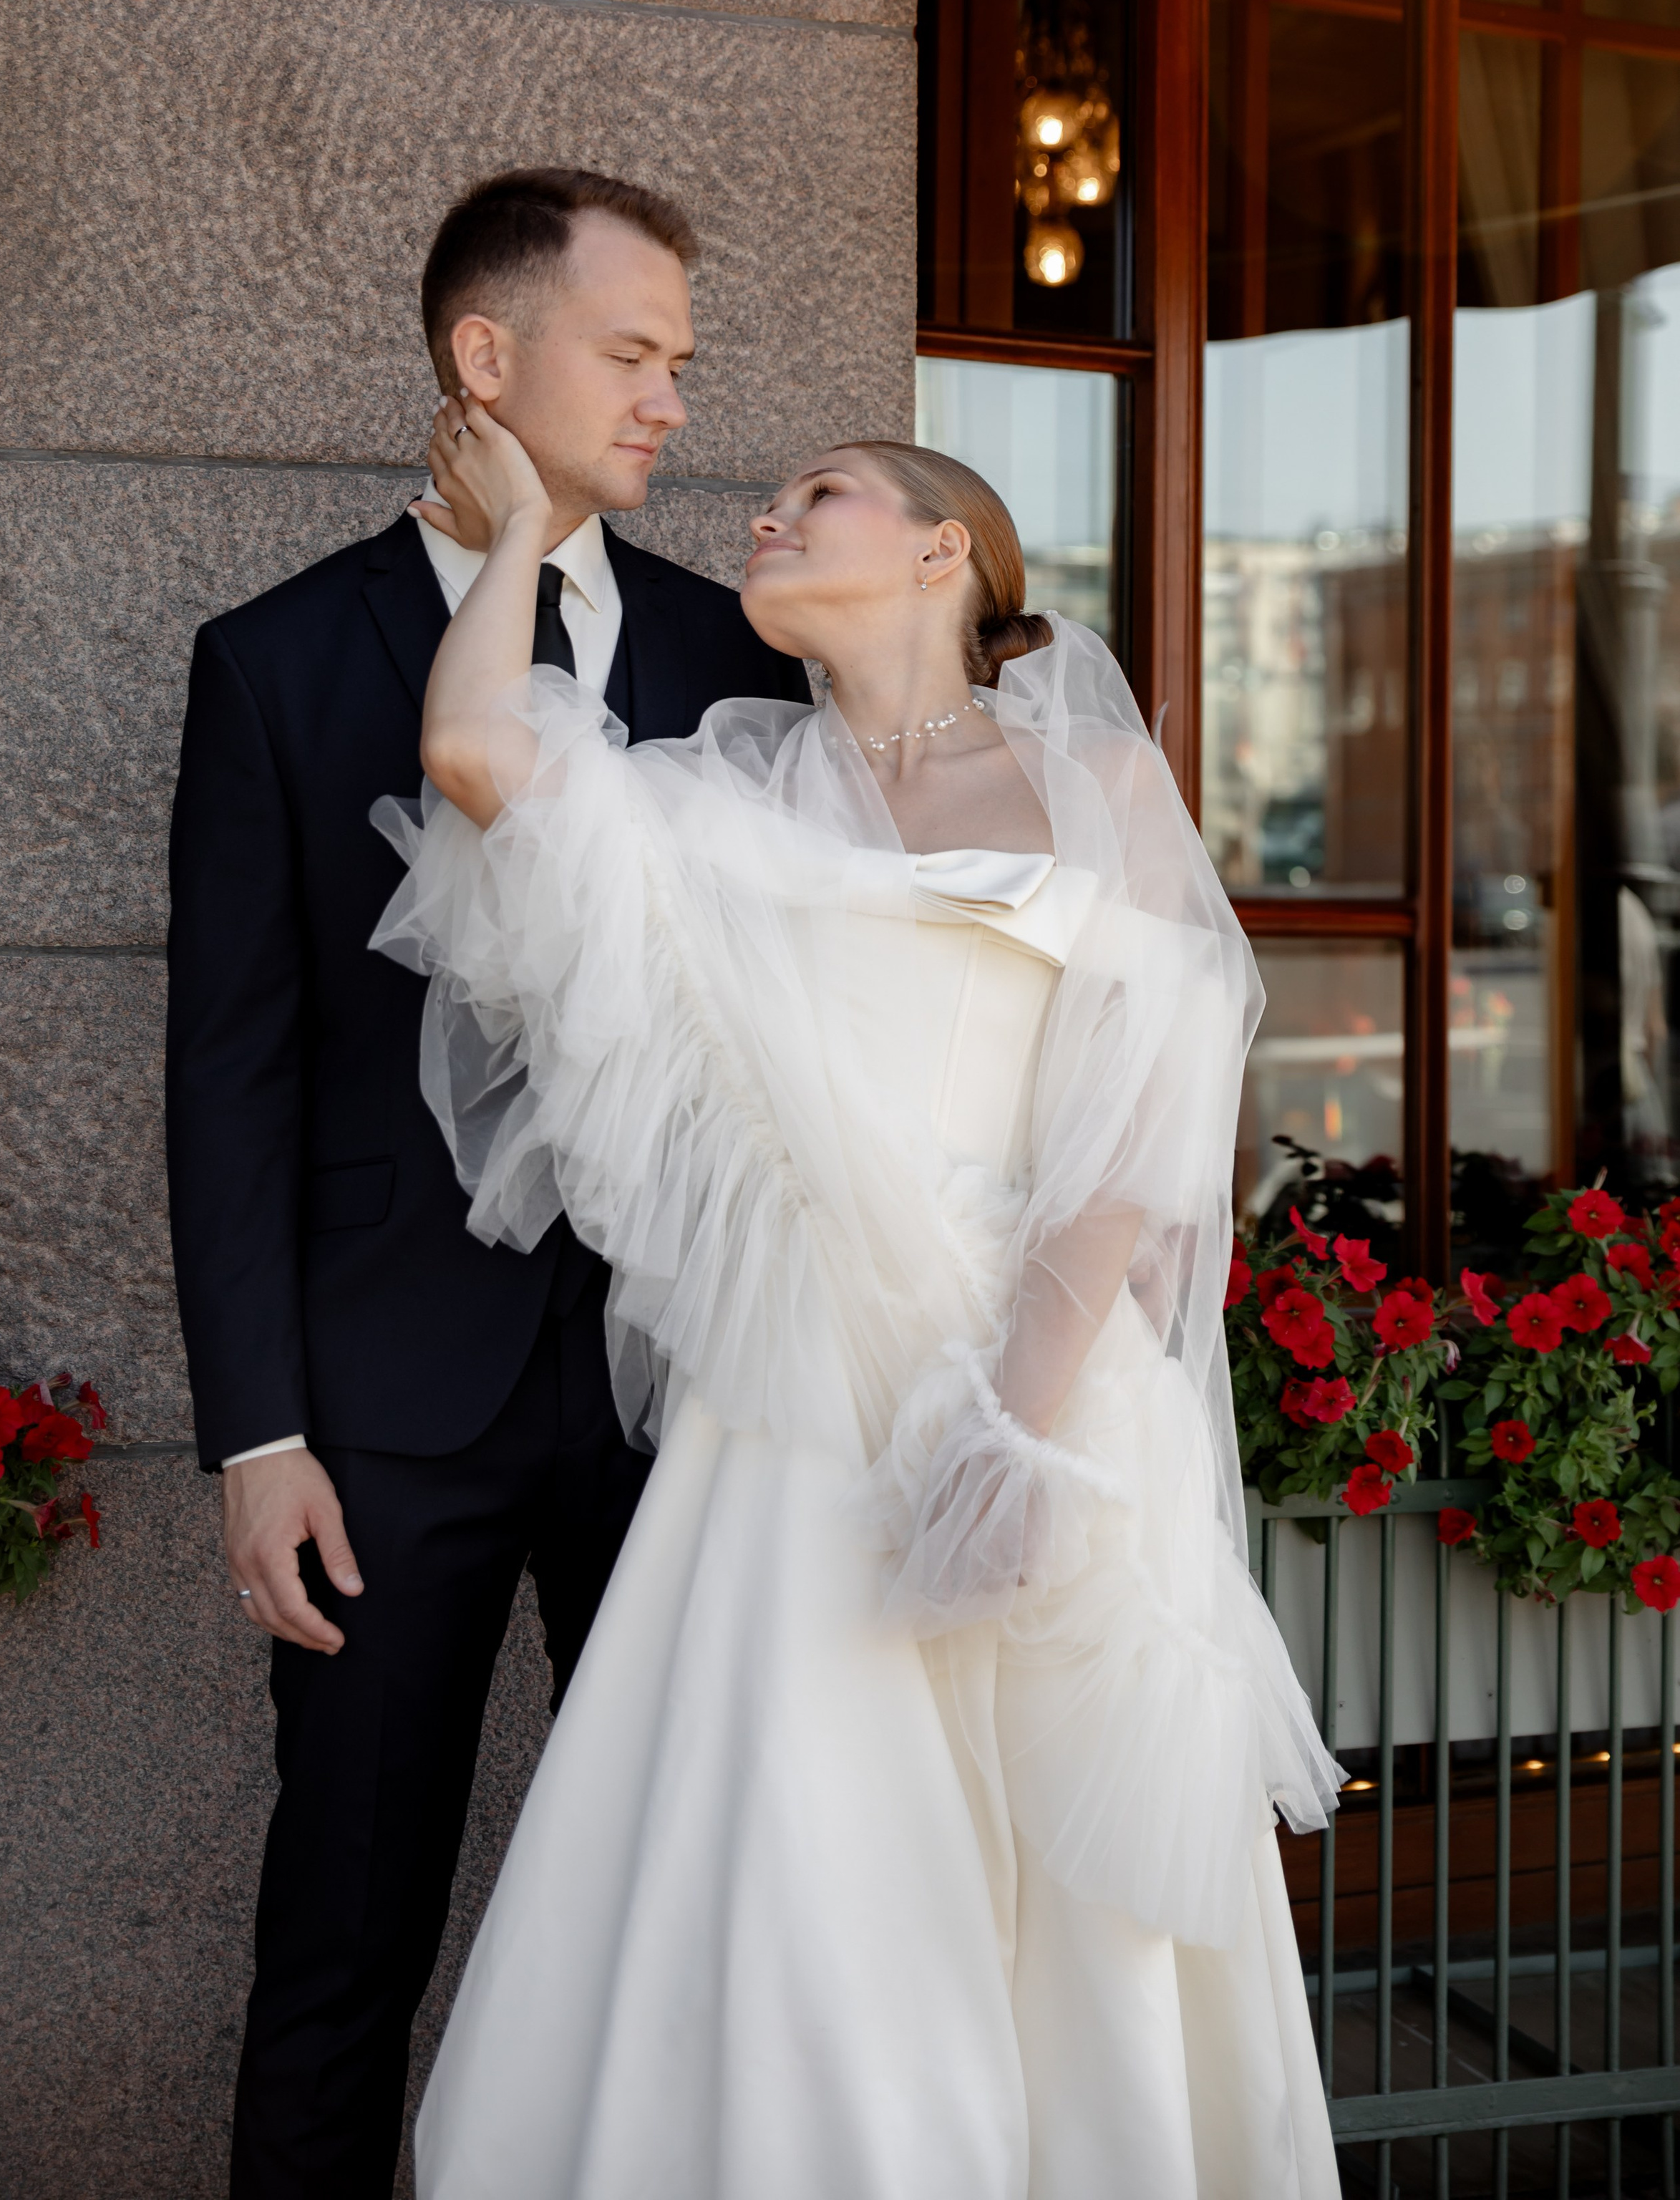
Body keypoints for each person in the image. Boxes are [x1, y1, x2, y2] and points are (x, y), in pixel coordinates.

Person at [374, 400, 1344, 2199]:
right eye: (758, 495)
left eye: (812, 491)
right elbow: (473, 749)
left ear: (937, 552)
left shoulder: (1092, 788)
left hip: (1028, 1384)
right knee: (803, 1853)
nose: (763, 514)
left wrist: (1006, 1431)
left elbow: (1124, 1148)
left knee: (1067, 1911)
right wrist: (514, 532)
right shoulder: (728, 788)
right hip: (795, 1404)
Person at [165, 168, 807, 2199]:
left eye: (680, 366)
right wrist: (257, 1435)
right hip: (381, 1425)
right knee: (345, 1938)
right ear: (485, 357)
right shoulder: (275, 661)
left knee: (699, 1927)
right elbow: (233, 1077)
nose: (672, 405)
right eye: (634, 356)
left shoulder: (734, 653)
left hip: (691, 1410)